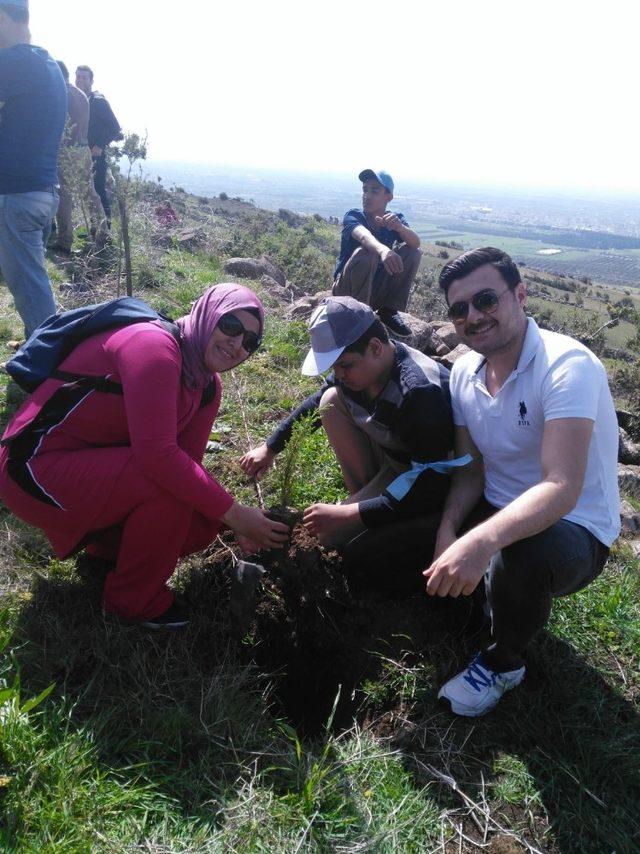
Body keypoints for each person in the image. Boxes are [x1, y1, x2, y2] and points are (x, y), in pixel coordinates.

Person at [0, 284, 289, 628]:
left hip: (89, 468)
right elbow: (158, 457)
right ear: (207, 313)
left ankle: (106, 555)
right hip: (30, 469)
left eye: (250, 342)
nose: (238, 344)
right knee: (167, 486)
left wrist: (226, 519)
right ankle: (131, 602)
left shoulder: (206, 386)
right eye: (230, 326)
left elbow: (188, 463)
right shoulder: (153, 347)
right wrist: (237, 515)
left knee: (201, 522)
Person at [424, 247, 620, 716]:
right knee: (405, 533)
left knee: (518, 552)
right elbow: (470, 469)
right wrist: (448, 531)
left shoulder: (566, 365)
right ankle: (474, 600)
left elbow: (561, 486)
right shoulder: (465, 374)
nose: (474, 316)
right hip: (496, 506)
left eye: (486, 299)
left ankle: (503, 662)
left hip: (574, 528)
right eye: (459, 309)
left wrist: (480, 543)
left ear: (520, 295)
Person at [241, 296, 454, 592]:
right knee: (330, 399)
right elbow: (317, 402)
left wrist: (349, 515)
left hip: (425, 481)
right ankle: (367, 501)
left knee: (334, 540)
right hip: (397, 460)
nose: (338, 374)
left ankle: (369, 514)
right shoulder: (362, 372)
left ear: (376, 348)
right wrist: (271, 447)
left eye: (344, 365)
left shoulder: (419, 394)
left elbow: (432, 486)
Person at [0, 0, 67, 336]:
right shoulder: (46, 62)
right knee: (31, 282)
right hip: (41, 194)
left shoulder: (12, 62)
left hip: (16, 196)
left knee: (31, 292)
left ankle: (48, 369)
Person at [332, 169, 421, 338]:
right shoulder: (354, 216)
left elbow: (416, 243)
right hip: (346, 292)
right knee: (367, 253)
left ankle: (388, 311)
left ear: (388, 197)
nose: (367, 195)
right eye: (365, 190)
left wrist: (399, 228)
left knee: (413, 253)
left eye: (375, 190)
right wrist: (383, 250)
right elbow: (364, 237)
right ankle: (359, 318)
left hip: (374, 290)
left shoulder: (394, 219)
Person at [52, 61, 106, 255]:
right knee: (89, 192)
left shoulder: (62, 94)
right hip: (83, 149)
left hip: (67, 151)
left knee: (63, 195)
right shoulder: (81, 94)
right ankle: (102, 232)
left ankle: (64, 241)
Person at [74, 65, 122, 224]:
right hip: (81, 153)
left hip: (96, 155)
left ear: (91, 80)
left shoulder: (98, 100)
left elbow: (115, 127)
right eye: (78, 77)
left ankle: (105, 230)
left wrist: (100, 145)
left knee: (98, 189)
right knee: (87, 190)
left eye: (84, 77)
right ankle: (95, 227)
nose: (80, 80)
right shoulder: (79, 99)